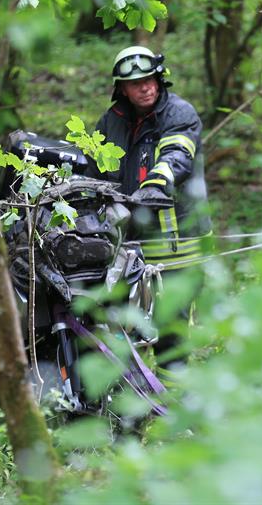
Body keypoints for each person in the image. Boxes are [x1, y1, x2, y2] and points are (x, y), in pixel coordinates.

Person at [91, 45, 212, 360]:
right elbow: (92, 171)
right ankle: (134, 391)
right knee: (121, 331)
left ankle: (174, 391)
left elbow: (177, 155)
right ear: (122, 89)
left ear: (159, 80)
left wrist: (157, 182)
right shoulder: (110, 122)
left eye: (148, 80)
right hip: (129, 247)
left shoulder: (179, 113)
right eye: (135, 83)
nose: (144, 88)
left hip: (177, 248)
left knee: (170, 336)